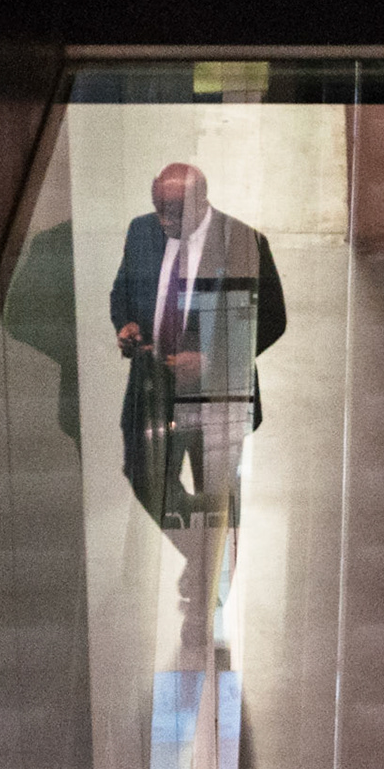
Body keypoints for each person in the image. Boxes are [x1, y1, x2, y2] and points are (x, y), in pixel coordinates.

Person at [110, 163, 286, 540]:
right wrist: (125, 324)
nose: (162, 220)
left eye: (171, 212)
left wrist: (211, 359)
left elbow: (272, 319)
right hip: (152, 386)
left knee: (218, 490)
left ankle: (212, 564)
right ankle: (192, 544)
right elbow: (121, 290)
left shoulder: (243, 242)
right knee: (142, 474)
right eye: (157, 208)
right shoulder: (141, 230)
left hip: (215, 396)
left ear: (201, 201)